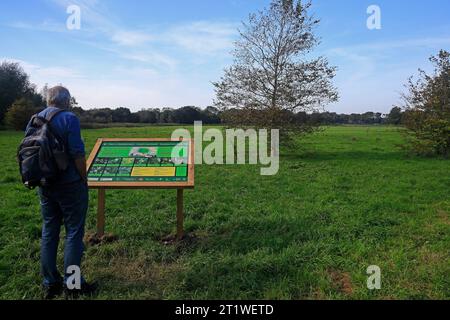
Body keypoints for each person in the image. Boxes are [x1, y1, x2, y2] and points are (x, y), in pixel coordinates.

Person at [24, 86, 97, 299]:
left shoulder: (34, 119)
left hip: (44, 183)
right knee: (74, 233)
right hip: (69, 184)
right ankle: (73, 284)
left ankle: (50, 282)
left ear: (48, 100)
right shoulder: (69, 119)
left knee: (49, 231)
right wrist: (84, 178)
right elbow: (77, 153)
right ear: (67, 101)